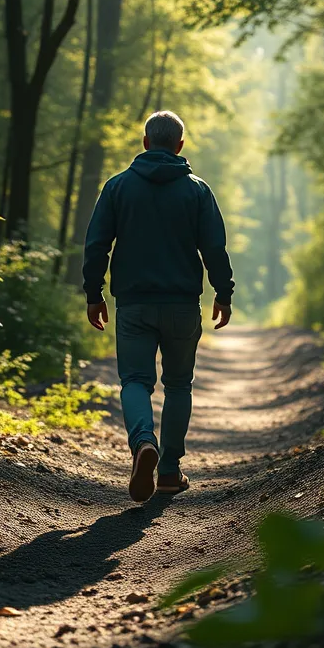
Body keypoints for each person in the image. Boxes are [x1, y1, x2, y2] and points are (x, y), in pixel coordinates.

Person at [82, 110, 234, 502]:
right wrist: (223, 291)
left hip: (133, 304)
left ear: (145, 142)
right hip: (183, 304)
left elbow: (97, 244)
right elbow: (214, 247)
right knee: (179, 384)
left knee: (135, 381)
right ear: (179, 145)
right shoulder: (197, 190)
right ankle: (168, 470)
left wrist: (94, 293)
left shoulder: (117, 188)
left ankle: (143, 442)